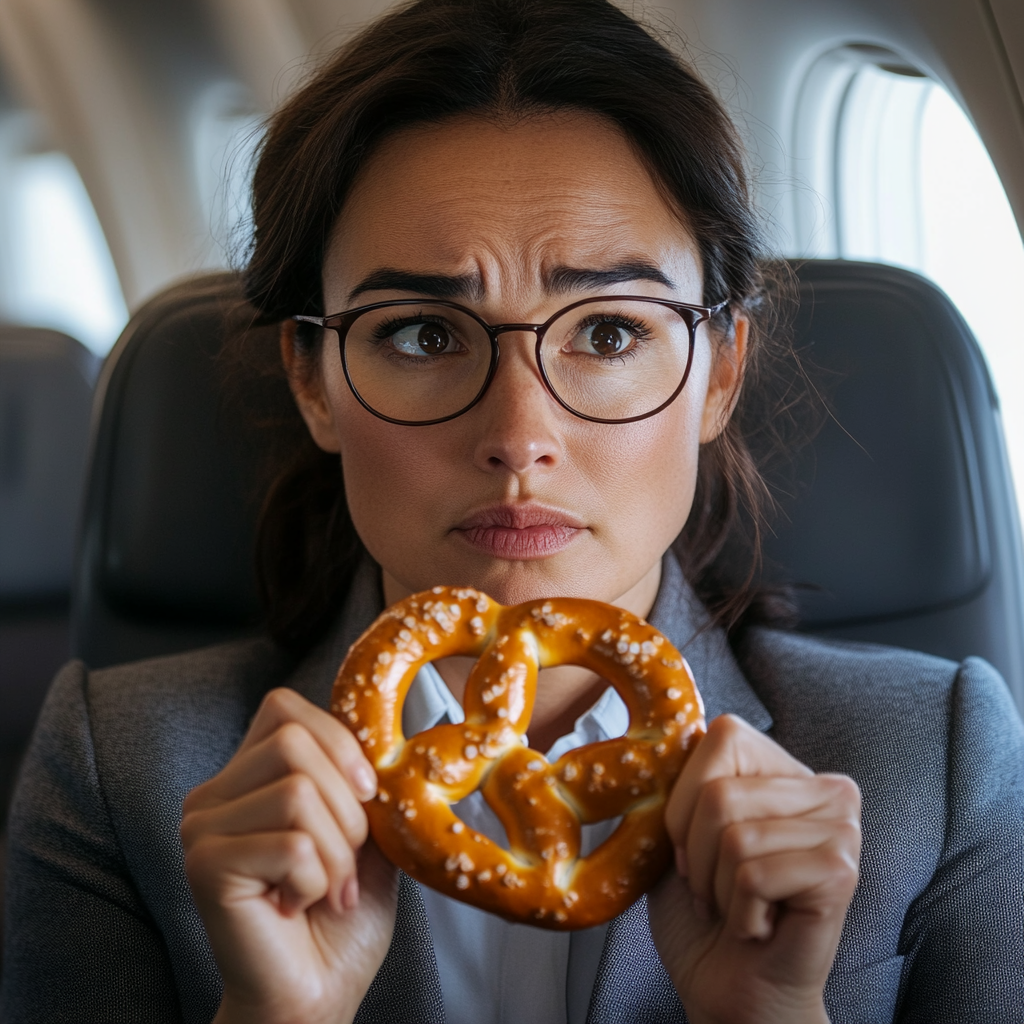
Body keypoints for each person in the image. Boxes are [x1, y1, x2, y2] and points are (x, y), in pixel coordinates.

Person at [3, 0, 1022, 1021]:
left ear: (719, 374)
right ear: (311, 382)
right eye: (421, 335)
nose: (518, 433)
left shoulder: (942, 763)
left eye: (611, 333)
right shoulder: (117, 768)